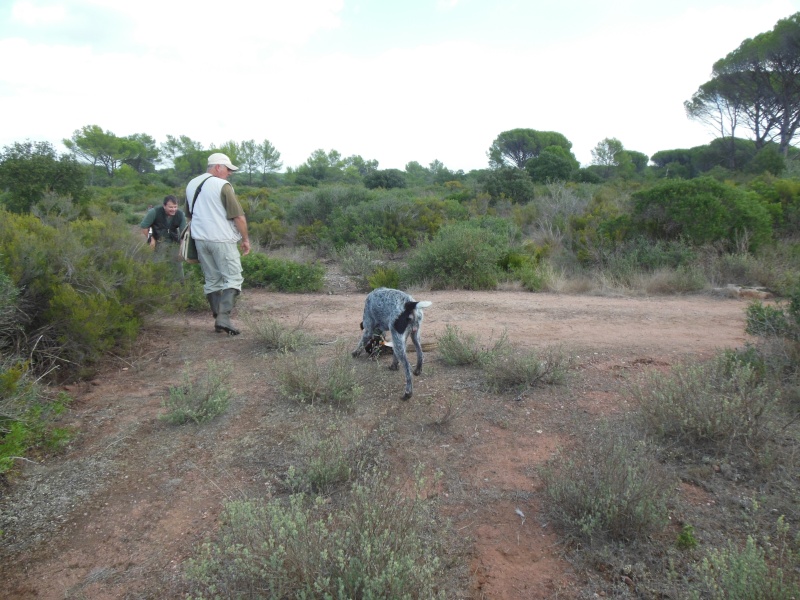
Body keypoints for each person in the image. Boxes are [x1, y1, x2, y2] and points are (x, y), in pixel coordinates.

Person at [185, 152, 251, 335]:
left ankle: (218, 317)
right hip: (221, 239)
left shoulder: (192, 184)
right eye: (228, 169)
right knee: (234, 278)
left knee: (212, 279)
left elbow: (189, 214)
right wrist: (245, 239)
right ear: (218, 167)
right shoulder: (222, 185)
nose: (229, 173)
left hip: (200, 239)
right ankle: (223, 318)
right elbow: (238, 216)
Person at [139, 195, 187, 280]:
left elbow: (183, 233)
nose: (173, 209)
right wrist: (151, 239)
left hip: (173, 241)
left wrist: (182, 248)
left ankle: (180, 285)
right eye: (170, 207)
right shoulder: (154, 212)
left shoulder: (180, 214)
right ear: (164, 206)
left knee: (177, 265)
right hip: (158, 241)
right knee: (157, 263)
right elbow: (144, 227)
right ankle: (155, 282)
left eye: (175, 207)